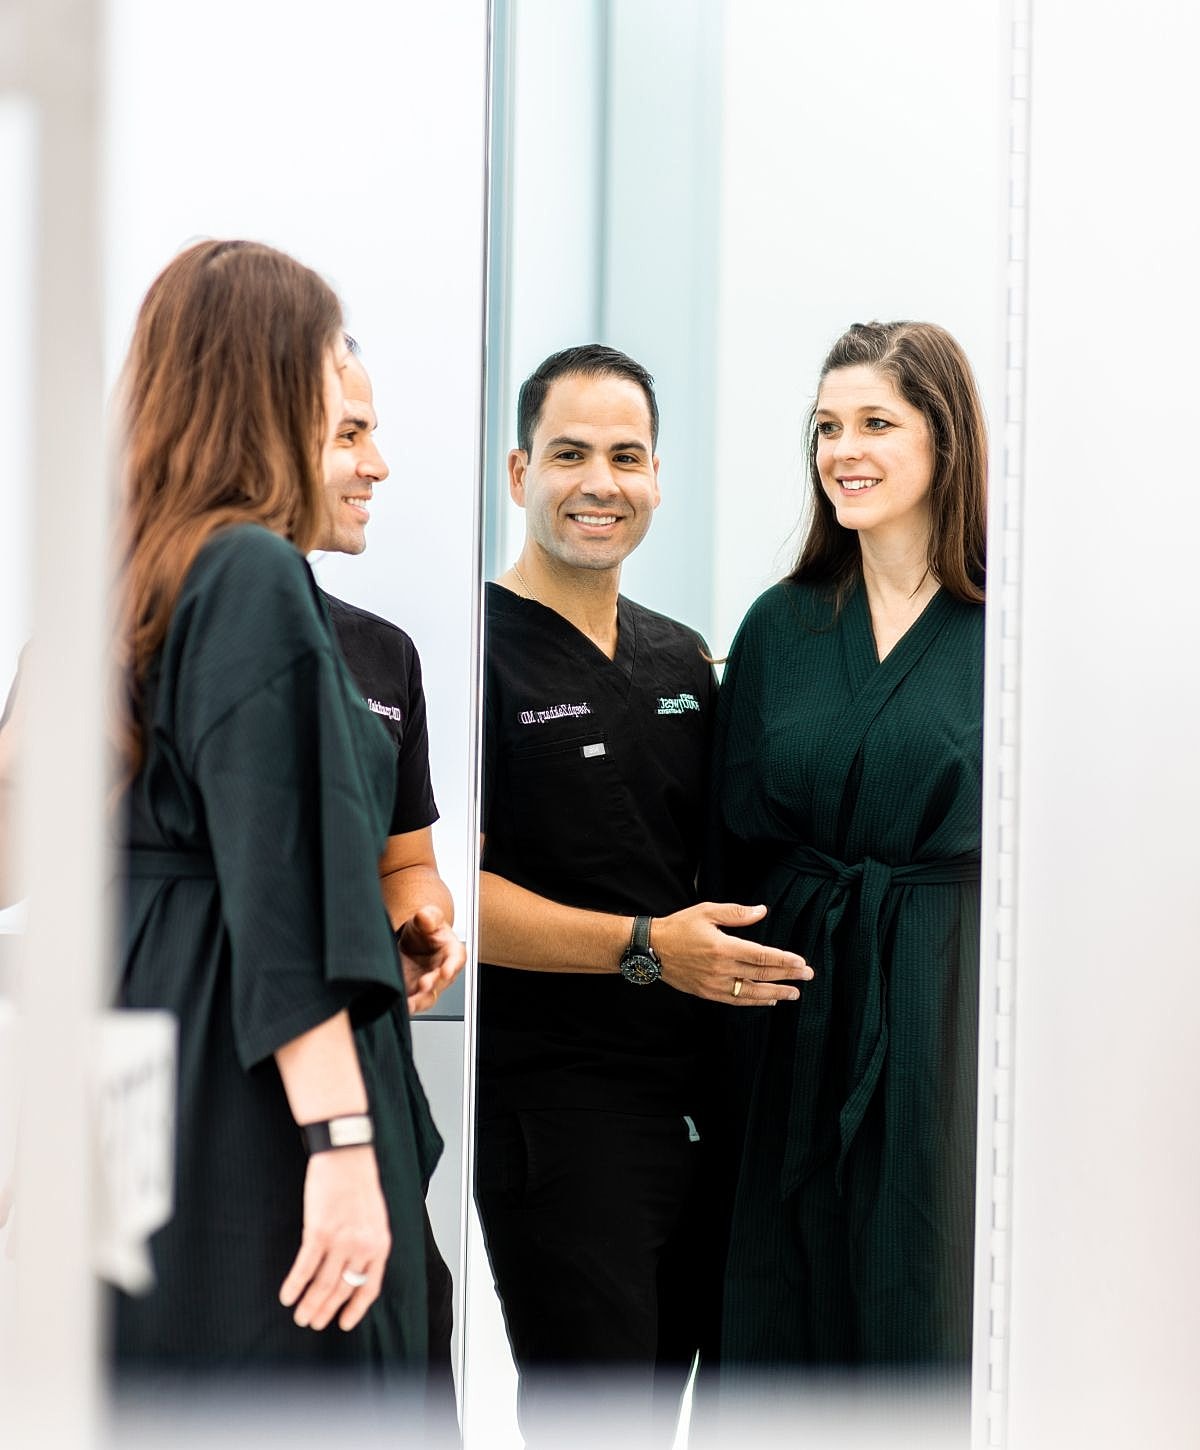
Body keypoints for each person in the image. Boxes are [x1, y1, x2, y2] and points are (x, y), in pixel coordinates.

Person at [475, 343, 810, 1443]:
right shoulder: (475, 651)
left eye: (627, 456)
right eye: (570, 453)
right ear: (520, 472)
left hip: (705, 1103)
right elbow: (447, 892)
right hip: (557, 1112)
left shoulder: (682, 658)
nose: (601, 482)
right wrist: (645, 947)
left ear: (658, 477)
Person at [112, 239, 429, 1398]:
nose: (371, 457)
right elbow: (278, 893)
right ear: (265, 394)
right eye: (335, 412)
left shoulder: (141, 575)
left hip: (157, 1064)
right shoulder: (249, 571)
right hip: (252, 1095)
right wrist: (342, 1147)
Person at [708, 321, 987, 1389]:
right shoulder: (782, 624)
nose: (844, 451)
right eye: (827, 427)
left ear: (943, 442)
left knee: (922, 1279)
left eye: (877, 422)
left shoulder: (1007, 625)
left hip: (946, 999)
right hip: (797, 1003)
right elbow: (730, 844)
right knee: (788, 1285)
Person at [315, 336, 465, 1431]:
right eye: (351, 433)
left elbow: (401, 857)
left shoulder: (382, 654)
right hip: (246, 1072)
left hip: (368, 1065)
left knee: (404, 1359)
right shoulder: (131, 639)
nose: (379, 464)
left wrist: (423, 912)